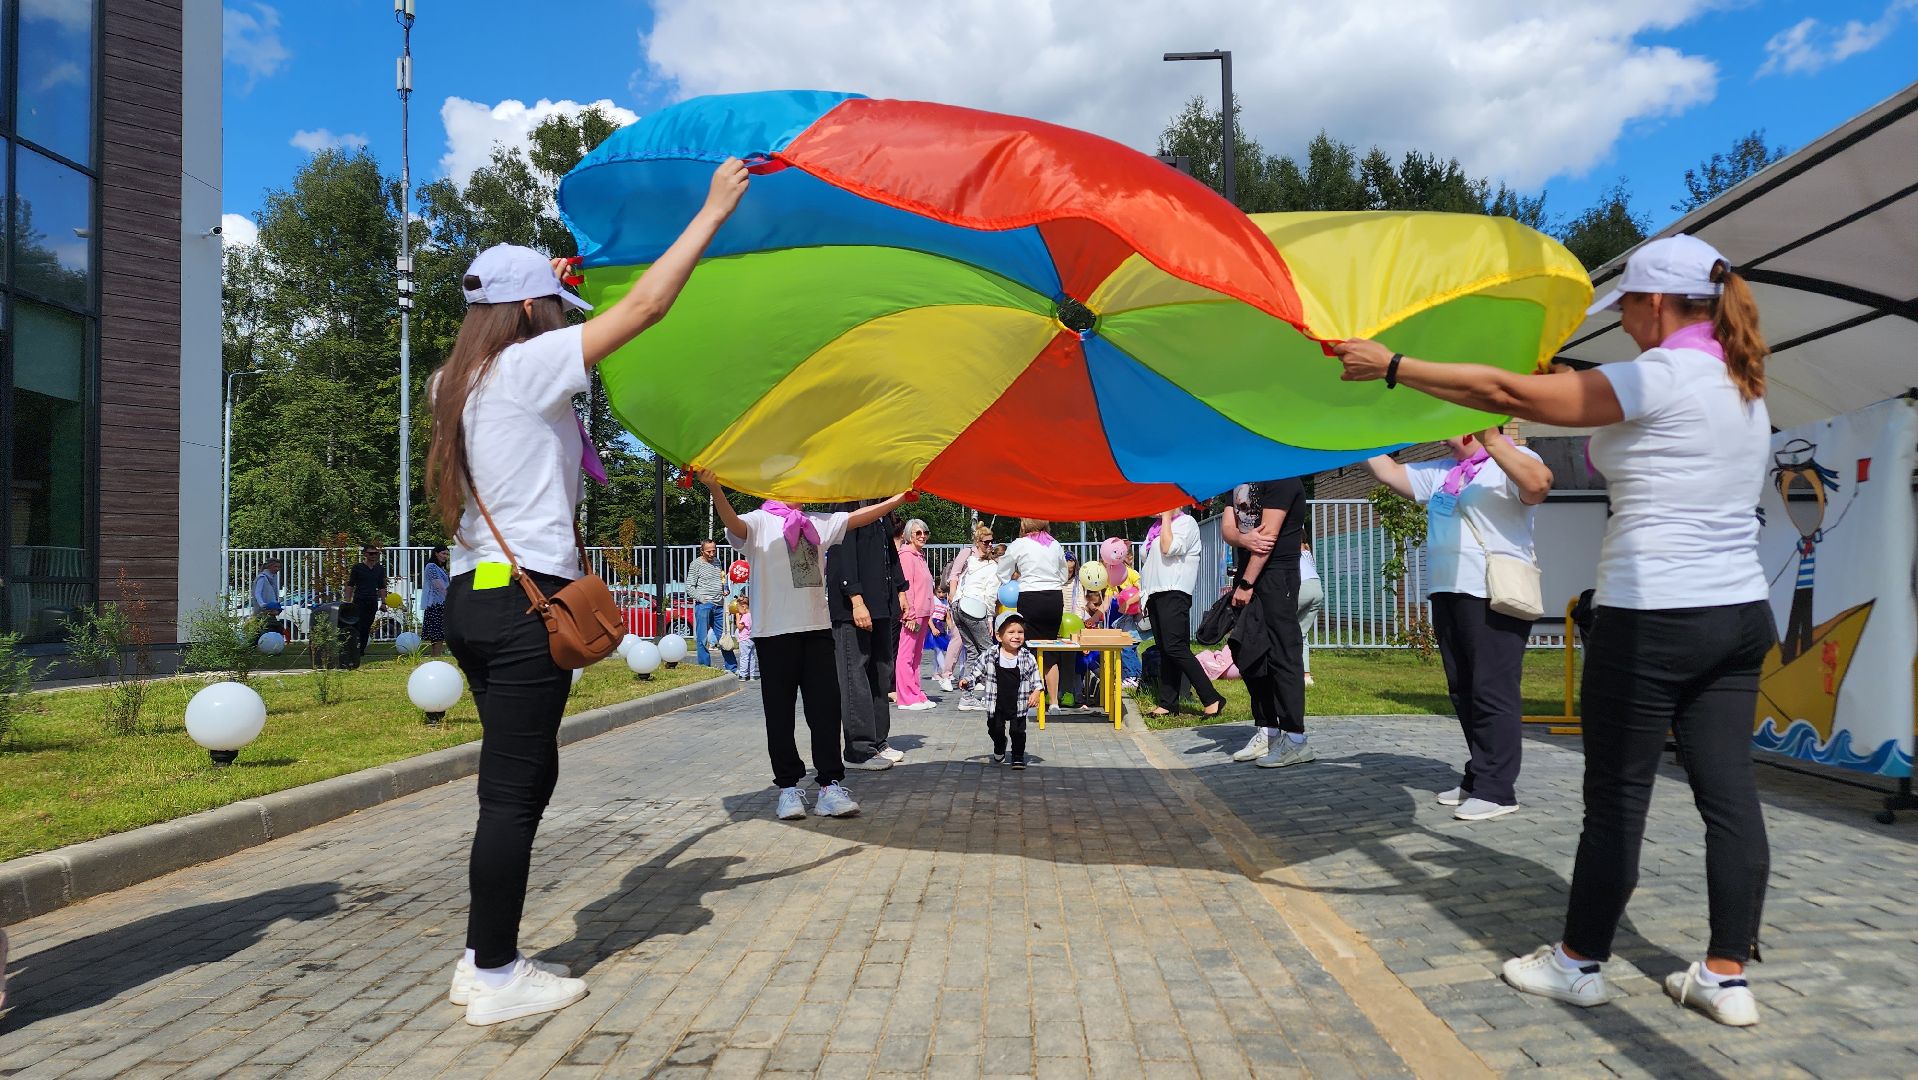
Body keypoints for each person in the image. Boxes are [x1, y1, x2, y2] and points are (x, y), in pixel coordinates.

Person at [1334, 234, 1774, 1027]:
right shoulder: (1740, 382)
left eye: (1630, 308)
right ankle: (1726, 975)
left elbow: (1516, 394)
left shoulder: (1663, 374)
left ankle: (1577, 963)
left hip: (1654, 617)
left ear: (1656, 303)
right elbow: (1560, 395)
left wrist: (1394, 366)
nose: (1627, 324)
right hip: (1738, 614)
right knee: (1730, 796)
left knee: (1616, 798)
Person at [424, 158, 748, 1025]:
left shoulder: (454, 381)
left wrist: (553, 279)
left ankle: (476, 958)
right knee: (516, 792)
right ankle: (494, 974)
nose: (565, 322)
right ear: (531, 316)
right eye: (555, 311)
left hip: (473, 600)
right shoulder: (529, 371)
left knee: (514, 783)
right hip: (531, 606)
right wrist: (712, 213)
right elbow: (645, 308)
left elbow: (536, 317)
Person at [1365, 430, 1549, 822]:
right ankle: (1480, 774)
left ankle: (1498, 790)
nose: (1442, 437)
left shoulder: (1513, 459)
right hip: (1448, 590)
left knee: (1490, 689)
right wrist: (1359, 433)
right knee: (1463, 689)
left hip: (1490, 592)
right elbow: (1388, 472)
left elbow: (1538, 485)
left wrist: (1493, 438)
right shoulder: (1448, 472)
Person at [704, 472, 907, 818]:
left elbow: (857, 517)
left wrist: (898, 499)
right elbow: (734, 525)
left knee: (824, 712)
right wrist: (715, 489)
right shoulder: (759, 522)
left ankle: (829, 785)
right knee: (780, 716)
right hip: (774, 634)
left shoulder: (816, 522)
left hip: (816, 630)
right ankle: (788, 788)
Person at [1222, 477, 1311, 768]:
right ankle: (1268, 730)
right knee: (1248, 650)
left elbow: (1269, 537)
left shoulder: (1282, 476)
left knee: (1282, 653)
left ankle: (1295, 738)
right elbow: (1228, 529)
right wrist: (1242, 539)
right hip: (1247, 574)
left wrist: (1247, 582)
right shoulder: (1236, 481)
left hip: (1276, 575)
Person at [828, 500, 908, 771]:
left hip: (882, 602)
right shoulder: (846, 506)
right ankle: (858, 749)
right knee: (856, 675)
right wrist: (856, 599)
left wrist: (901, 588)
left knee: (881, 671)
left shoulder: (880, 509)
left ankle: (878, 740)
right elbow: (842, 556)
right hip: (854, 606)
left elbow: (890, 553)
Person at [1142, 509, 1224, 719]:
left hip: (1175, 590)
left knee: (1175, 647)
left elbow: (1169, 548)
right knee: (1165, 650)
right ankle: (1168, 703)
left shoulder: (1186, 523)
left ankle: (1211, 698)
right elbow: (1146, 558)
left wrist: (1167, 516)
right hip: (1156, 592)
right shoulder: (1155, 528)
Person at [999, 519, 1070, 707]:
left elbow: (1002, 572)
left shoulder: (1019, 544)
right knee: (1050, 649)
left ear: (1025, 525)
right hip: (1054, 598)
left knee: (1029, 650)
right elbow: (1063, 575)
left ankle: (1032, 701)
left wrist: (1014, 576)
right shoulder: (1054, 544)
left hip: (1030, 597)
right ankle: (1054, 702)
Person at [959, 611, 1044, 768]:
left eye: (1020, 632)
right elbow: (976, 672)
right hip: (996, 702)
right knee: (994, 729)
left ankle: (1018, 756)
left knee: (1018, 731)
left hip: (1018, 701)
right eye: (1011, 632)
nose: (1016, 636)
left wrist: (1036, 692)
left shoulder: (1027, 656)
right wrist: (967, 681)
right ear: (999, 636)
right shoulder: (990, 654)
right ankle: (1000, 744)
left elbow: (1036, 677)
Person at [952, 535, 1003, 711]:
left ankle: (967, 697)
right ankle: (993, 697)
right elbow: (990, 595)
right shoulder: (993, 568)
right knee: (990, 652)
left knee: (973, 652)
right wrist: (989, 618)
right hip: (973, 608)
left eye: (991, 541)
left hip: (958, 607)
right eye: (986, 541)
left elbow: (959, 580)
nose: (990, 544)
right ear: (977, 543)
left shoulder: (971, 561)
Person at [895, 518, 937, 712]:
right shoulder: (906, 556)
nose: (922, 536)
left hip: (924, 612)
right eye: (918, 533)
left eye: (925, 532)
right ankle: (906, 697)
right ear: (909, 535)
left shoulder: (919, 556)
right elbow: (906, 587)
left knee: (917, 656)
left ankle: (915, 693)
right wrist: (909, 614)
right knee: (906, 655)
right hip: (914, 613)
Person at [687, 539, 734, 672]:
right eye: (708, 551)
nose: (712, 554)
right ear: (702, 551)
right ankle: (704, 668)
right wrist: (702, 599)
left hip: (719, 605)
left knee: (723, 637)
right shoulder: (696, 564)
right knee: (702, 638)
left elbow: (722, 578)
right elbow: (689, 587)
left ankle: (732, 667)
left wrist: (725, 588)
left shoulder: (717, 562)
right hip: (704, 606)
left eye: (714, 550)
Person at [348, 545, 388, 662]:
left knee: (366, 626)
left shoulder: (379, 569)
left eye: (376, 553)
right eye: (371, 553)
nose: (373, 556)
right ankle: (353, 649)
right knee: (357, 625)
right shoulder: (358, 568)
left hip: (372, 600)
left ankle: (361, 650)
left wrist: (384, 602)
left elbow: (381, 586)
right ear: (365, 554)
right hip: (359, 599)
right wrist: (347, 601)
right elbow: (350, 585)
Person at [1297, 540, 1322, 688]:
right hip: (1316, 587)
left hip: (1301, 586)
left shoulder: (1287, 550)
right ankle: (1306, 676)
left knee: (1279, 627)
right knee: (1302, 633)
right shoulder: (1307, 553)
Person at [421, 545, 451, 656]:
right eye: (443, 553)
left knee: (440, 634)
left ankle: (436, 656)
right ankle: (436, 656)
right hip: (435, 604)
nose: (445, 556)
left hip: (442, 603)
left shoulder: (441, 568)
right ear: (436, 553)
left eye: (447, 554)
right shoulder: (431, 566)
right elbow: (439, 585)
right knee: (437, 634)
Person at [252, 557, 285, 639]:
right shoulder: (262, 578)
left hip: (271, 608)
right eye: (275, 567)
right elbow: (257, 593)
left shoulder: (273, 577)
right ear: (269, 566)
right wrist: (262, 605)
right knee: (262, 629)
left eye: (279, 567)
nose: (277, 569)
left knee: (271, 627)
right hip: (264, 610)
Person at [734, 595, 758, 680]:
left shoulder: (745, 616)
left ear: (744, 606)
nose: (738, 611)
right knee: (751, 657)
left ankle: (743, 675)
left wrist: (737, 617)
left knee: (744, 657)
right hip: (751, 639)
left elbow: (740, 627)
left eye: (738, 609)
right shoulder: (752, 614)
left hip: (744, 639)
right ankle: (752, 674)